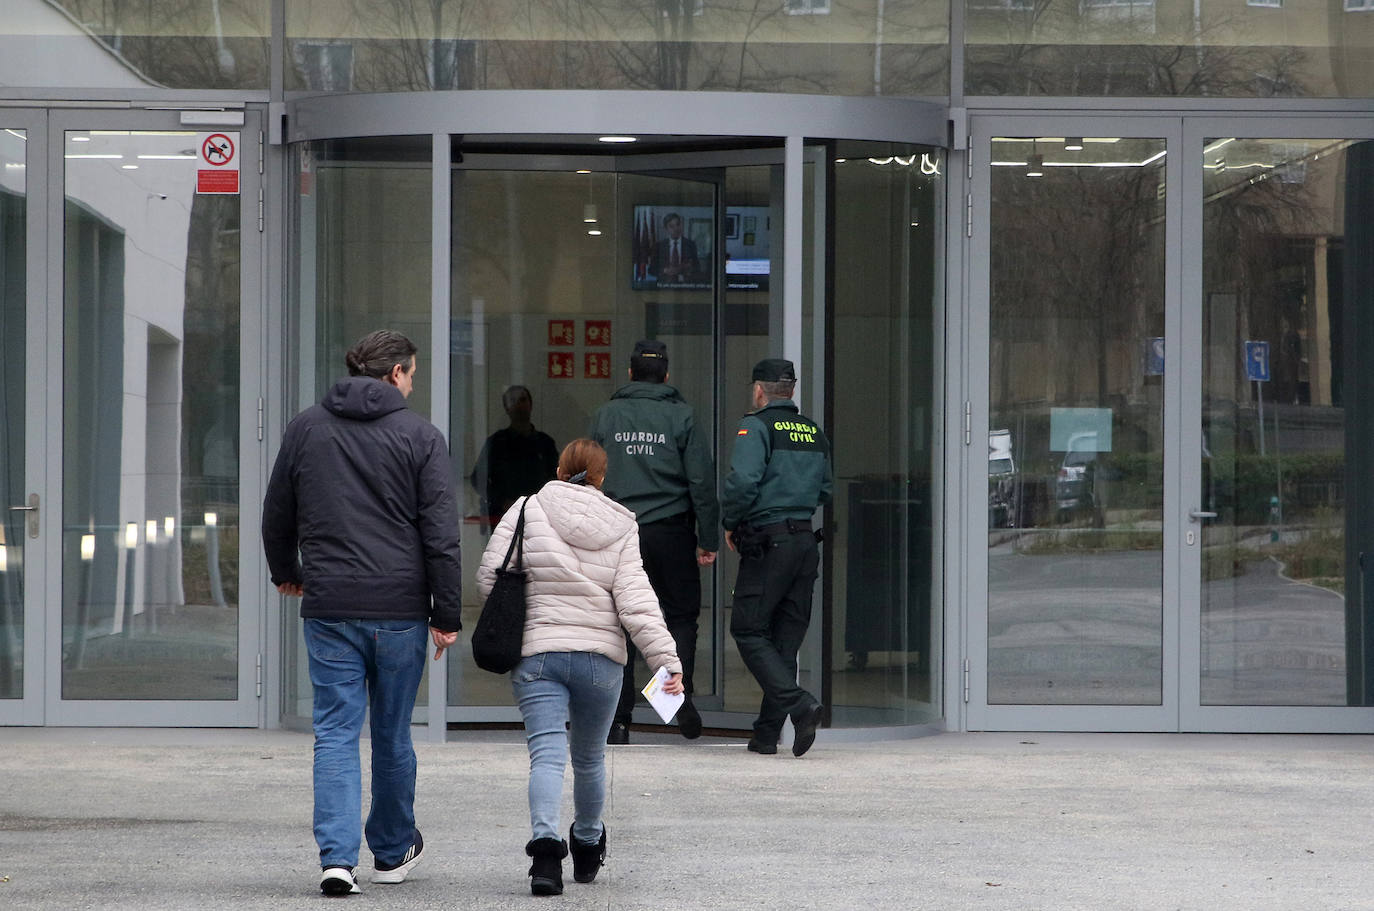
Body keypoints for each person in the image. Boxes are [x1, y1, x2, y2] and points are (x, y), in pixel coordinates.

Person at [261, 330, 462, 896]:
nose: (413, 383)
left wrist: (287, 572)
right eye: (413, 373)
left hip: (329, 606)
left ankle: (336, 860)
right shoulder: (421, 436)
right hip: (400, 609)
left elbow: (278, 513)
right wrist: (446, 614)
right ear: (395, 372)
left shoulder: (306, 428)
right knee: (393, 734)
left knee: (335, 732)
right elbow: (441, 536)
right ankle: (393, 852)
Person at [477, 439, 683, 896]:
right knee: (589, 758)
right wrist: (666, 660)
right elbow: (637, 603)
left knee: (546, 755)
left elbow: (488, 578)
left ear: (558, 468)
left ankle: (546, 855)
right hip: (600, 661)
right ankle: (588, 846)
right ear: (601, 478)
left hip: (538, 654)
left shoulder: (527, 509)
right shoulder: (622, 525)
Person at [588, 339, 718, 744]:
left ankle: (618, 720)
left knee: (619, 623)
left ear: (629, 374)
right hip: (672, 531)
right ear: (666, 375)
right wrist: (708, 537)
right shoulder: (683, 417)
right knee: (678, 618)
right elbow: (701, 480)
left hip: (617, 533)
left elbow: (589, 475)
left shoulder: (606, 415)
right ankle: (676, 702)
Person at [721, 358, 832, 758]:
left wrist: (731, 521)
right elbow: (825, 490)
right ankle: (766, 735)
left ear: (758, 390)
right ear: (792, 389)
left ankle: (801, 705)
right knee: (784, 642)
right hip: (805, 542)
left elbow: (743, 482)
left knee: (749, 630)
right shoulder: (813, 432)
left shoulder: (757, 426)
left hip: (770, 543)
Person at [470, 384, 559, 528]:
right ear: (506, 408)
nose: (518, 406)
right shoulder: (496, 443)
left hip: (539, 517)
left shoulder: (545, 443)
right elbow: (477, 479)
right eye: (513, 401)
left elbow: (555, 479)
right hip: (502, 517)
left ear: (530, 405)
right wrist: (501, 501)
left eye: (522, 400)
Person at [652, 212, 701, 284]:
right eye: (671, 226)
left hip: (686, 286)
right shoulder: (659, 245)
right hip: (664, 286)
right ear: (666, 229)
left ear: (681, 225)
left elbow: (697, 267)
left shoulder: (690, 244)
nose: (676, 229)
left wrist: (689, 268)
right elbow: (651, 269)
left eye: (678, 224)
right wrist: (665, 270)